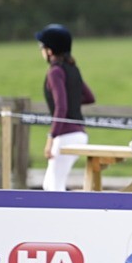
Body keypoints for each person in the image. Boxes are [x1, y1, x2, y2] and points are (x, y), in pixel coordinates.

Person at [36, 24, 93, 191]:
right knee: (50, 184)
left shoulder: (55, 72)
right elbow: (89, 97)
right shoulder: (73, 69)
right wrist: (72, 101)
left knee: (53, 187)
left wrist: (50, 139)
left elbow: (61, 106)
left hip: (65, 135)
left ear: (50, 51)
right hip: (80, 134)